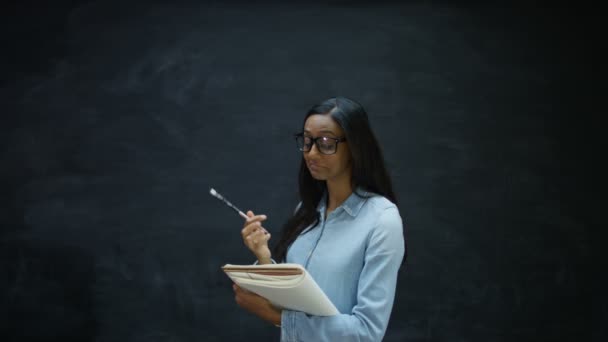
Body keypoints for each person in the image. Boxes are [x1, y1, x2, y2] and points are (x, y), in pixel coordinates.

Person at [233, 97, 406, 341]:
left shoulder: (381, 221)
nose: (311, 153)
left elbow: (366, 333)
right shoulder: (307, 210)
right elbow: (295, 299)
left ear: (355, 146)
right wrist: (263, 257)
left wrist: (278, 318)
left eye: (325, 142)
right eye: (306, 141)